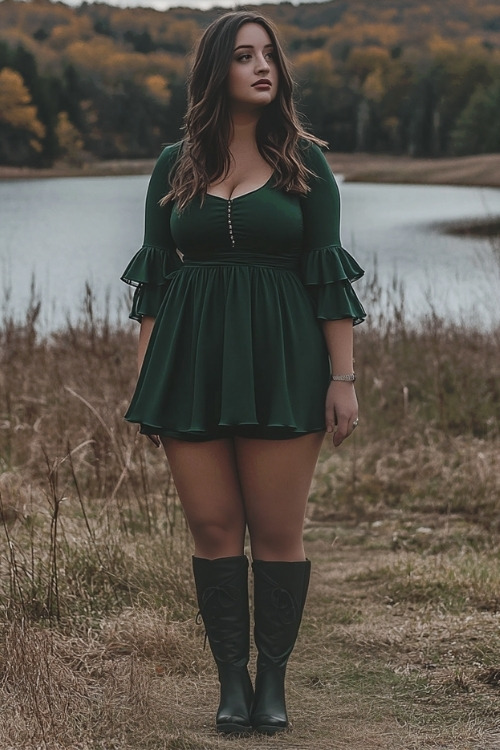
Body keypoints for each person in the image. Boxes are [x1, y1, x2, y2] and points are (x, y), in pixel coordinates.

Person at [121, 10, 365, 736]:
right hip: (188, 363)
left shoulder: (305, 162)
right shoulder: (175, 165)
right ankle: (231, 681)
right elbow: (155, 284)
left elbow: (328, 279)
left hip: (286, 362)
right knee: (213, 524)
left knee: (276, 530)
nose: (264, 67)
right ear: (215, 71)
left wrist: (343, 379)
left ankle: (273, 684)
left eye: (270, 56)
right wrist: (145, 384)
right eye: (244, 56)